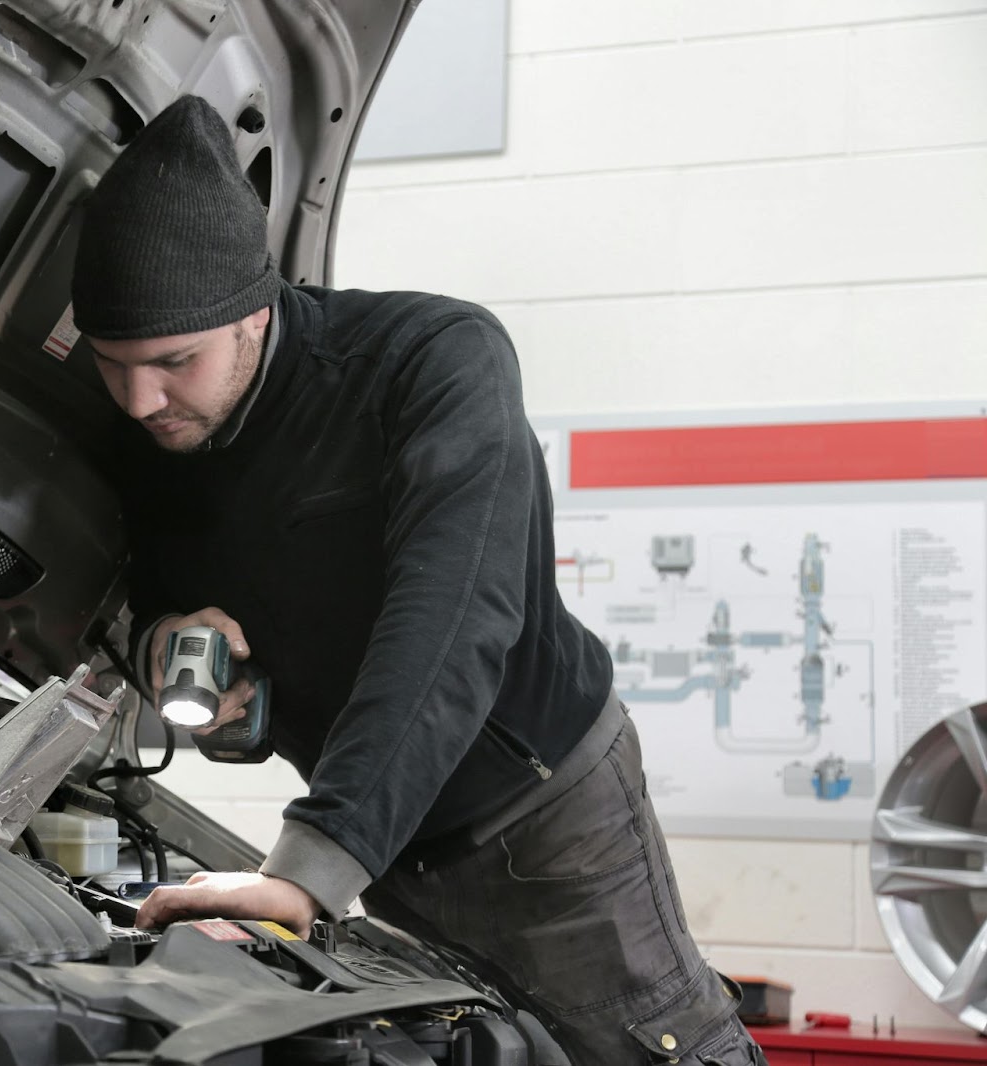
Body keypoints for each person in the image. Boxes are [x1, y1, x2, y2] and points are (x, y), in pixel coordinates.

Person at [69, 95, 762, 1065]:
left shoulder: (429, 364)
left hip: (545, 820)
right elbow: (137, 589)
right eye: (112, 365)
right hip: (385, 844)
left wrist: (308, 869)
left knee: (651, 1050)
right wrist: (167, 653)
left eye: (173, 362)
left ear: (255, 310)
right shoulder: (147, 433)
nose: (140, 399)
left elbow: (452, 619)